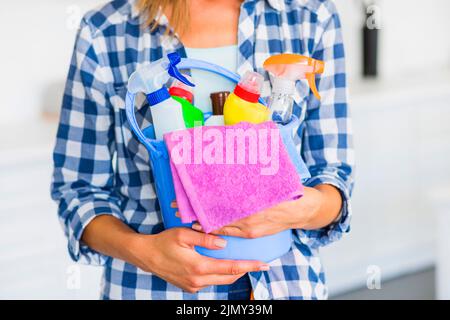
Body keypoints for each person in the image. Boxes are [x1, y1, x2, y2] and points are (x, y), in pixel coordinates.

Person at [51, 0, 354, 300]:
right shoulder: (106, 31)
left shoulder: (309, 16)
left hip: (285, 283)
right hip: (151, 289)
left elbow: (334, 179)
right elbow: (78, 190)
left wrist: (300, 209)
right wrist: (147, 253)